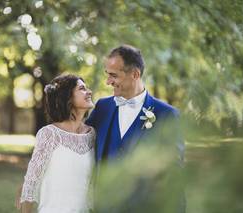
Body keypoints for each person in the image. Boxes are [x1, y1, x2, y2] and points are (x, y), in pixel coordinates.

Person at [86, 45, 185, 212]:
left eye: (113, 75)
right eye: (107, 75)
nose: (108, 82)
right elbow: (79, 143)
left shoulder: (167, 115)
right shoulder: (102, 107)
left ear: (135, 74)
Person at [17, 74, 96, 213]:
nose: (89, 92)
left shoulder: (92, 134)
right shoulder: (49, 134)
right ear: (68, 97)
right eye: (82, 89)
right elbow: (31, 185)